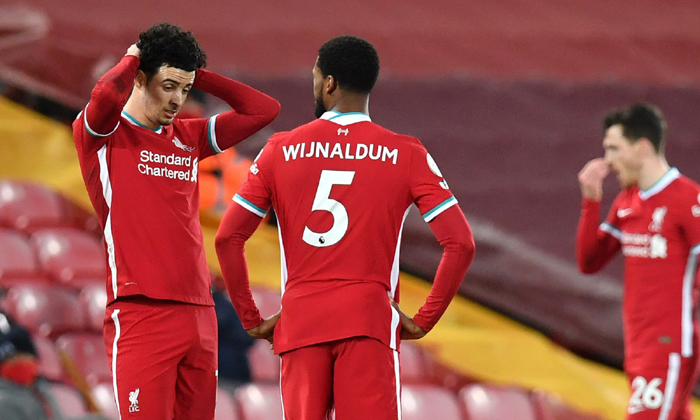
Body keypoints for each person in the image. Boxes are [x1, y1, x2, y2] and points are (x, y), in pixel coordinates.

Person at [215, 35, 475, 420]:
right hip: (368, 322)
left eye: (315, 77)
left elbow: (227, 238)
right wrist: (423, 320)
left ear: (329, 83)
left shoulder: (279, 149)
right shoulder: (407, 153)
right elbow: (461, 244)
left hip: (301, 323)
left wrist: (251, 320)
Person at [72, 23, 280, 420]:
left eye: (185, 90)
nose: (177, 100)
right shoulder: (101, 136)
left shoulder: (187, 136)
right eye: (168, 86)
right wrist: (134, 56)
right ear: (139, 78)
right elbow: (105, 95)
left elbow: (263, 110)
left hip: (200, 313)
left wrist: (195, 73)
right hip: (141, 311)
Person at [577, 103, 700, 420]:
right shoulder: (627, 201)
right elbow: (589, 261)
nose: (608, 160)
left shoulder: (687, 199)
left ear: (642, 147)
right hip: (638, 345)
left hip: (668, 344)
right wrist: (591, 199)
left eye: (614, 148)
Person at [0, 312, 108, 420]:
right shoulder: (3, 400)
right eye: (11, 359)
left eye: (24, 356)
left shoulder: (42, 387)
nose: (19, 362)